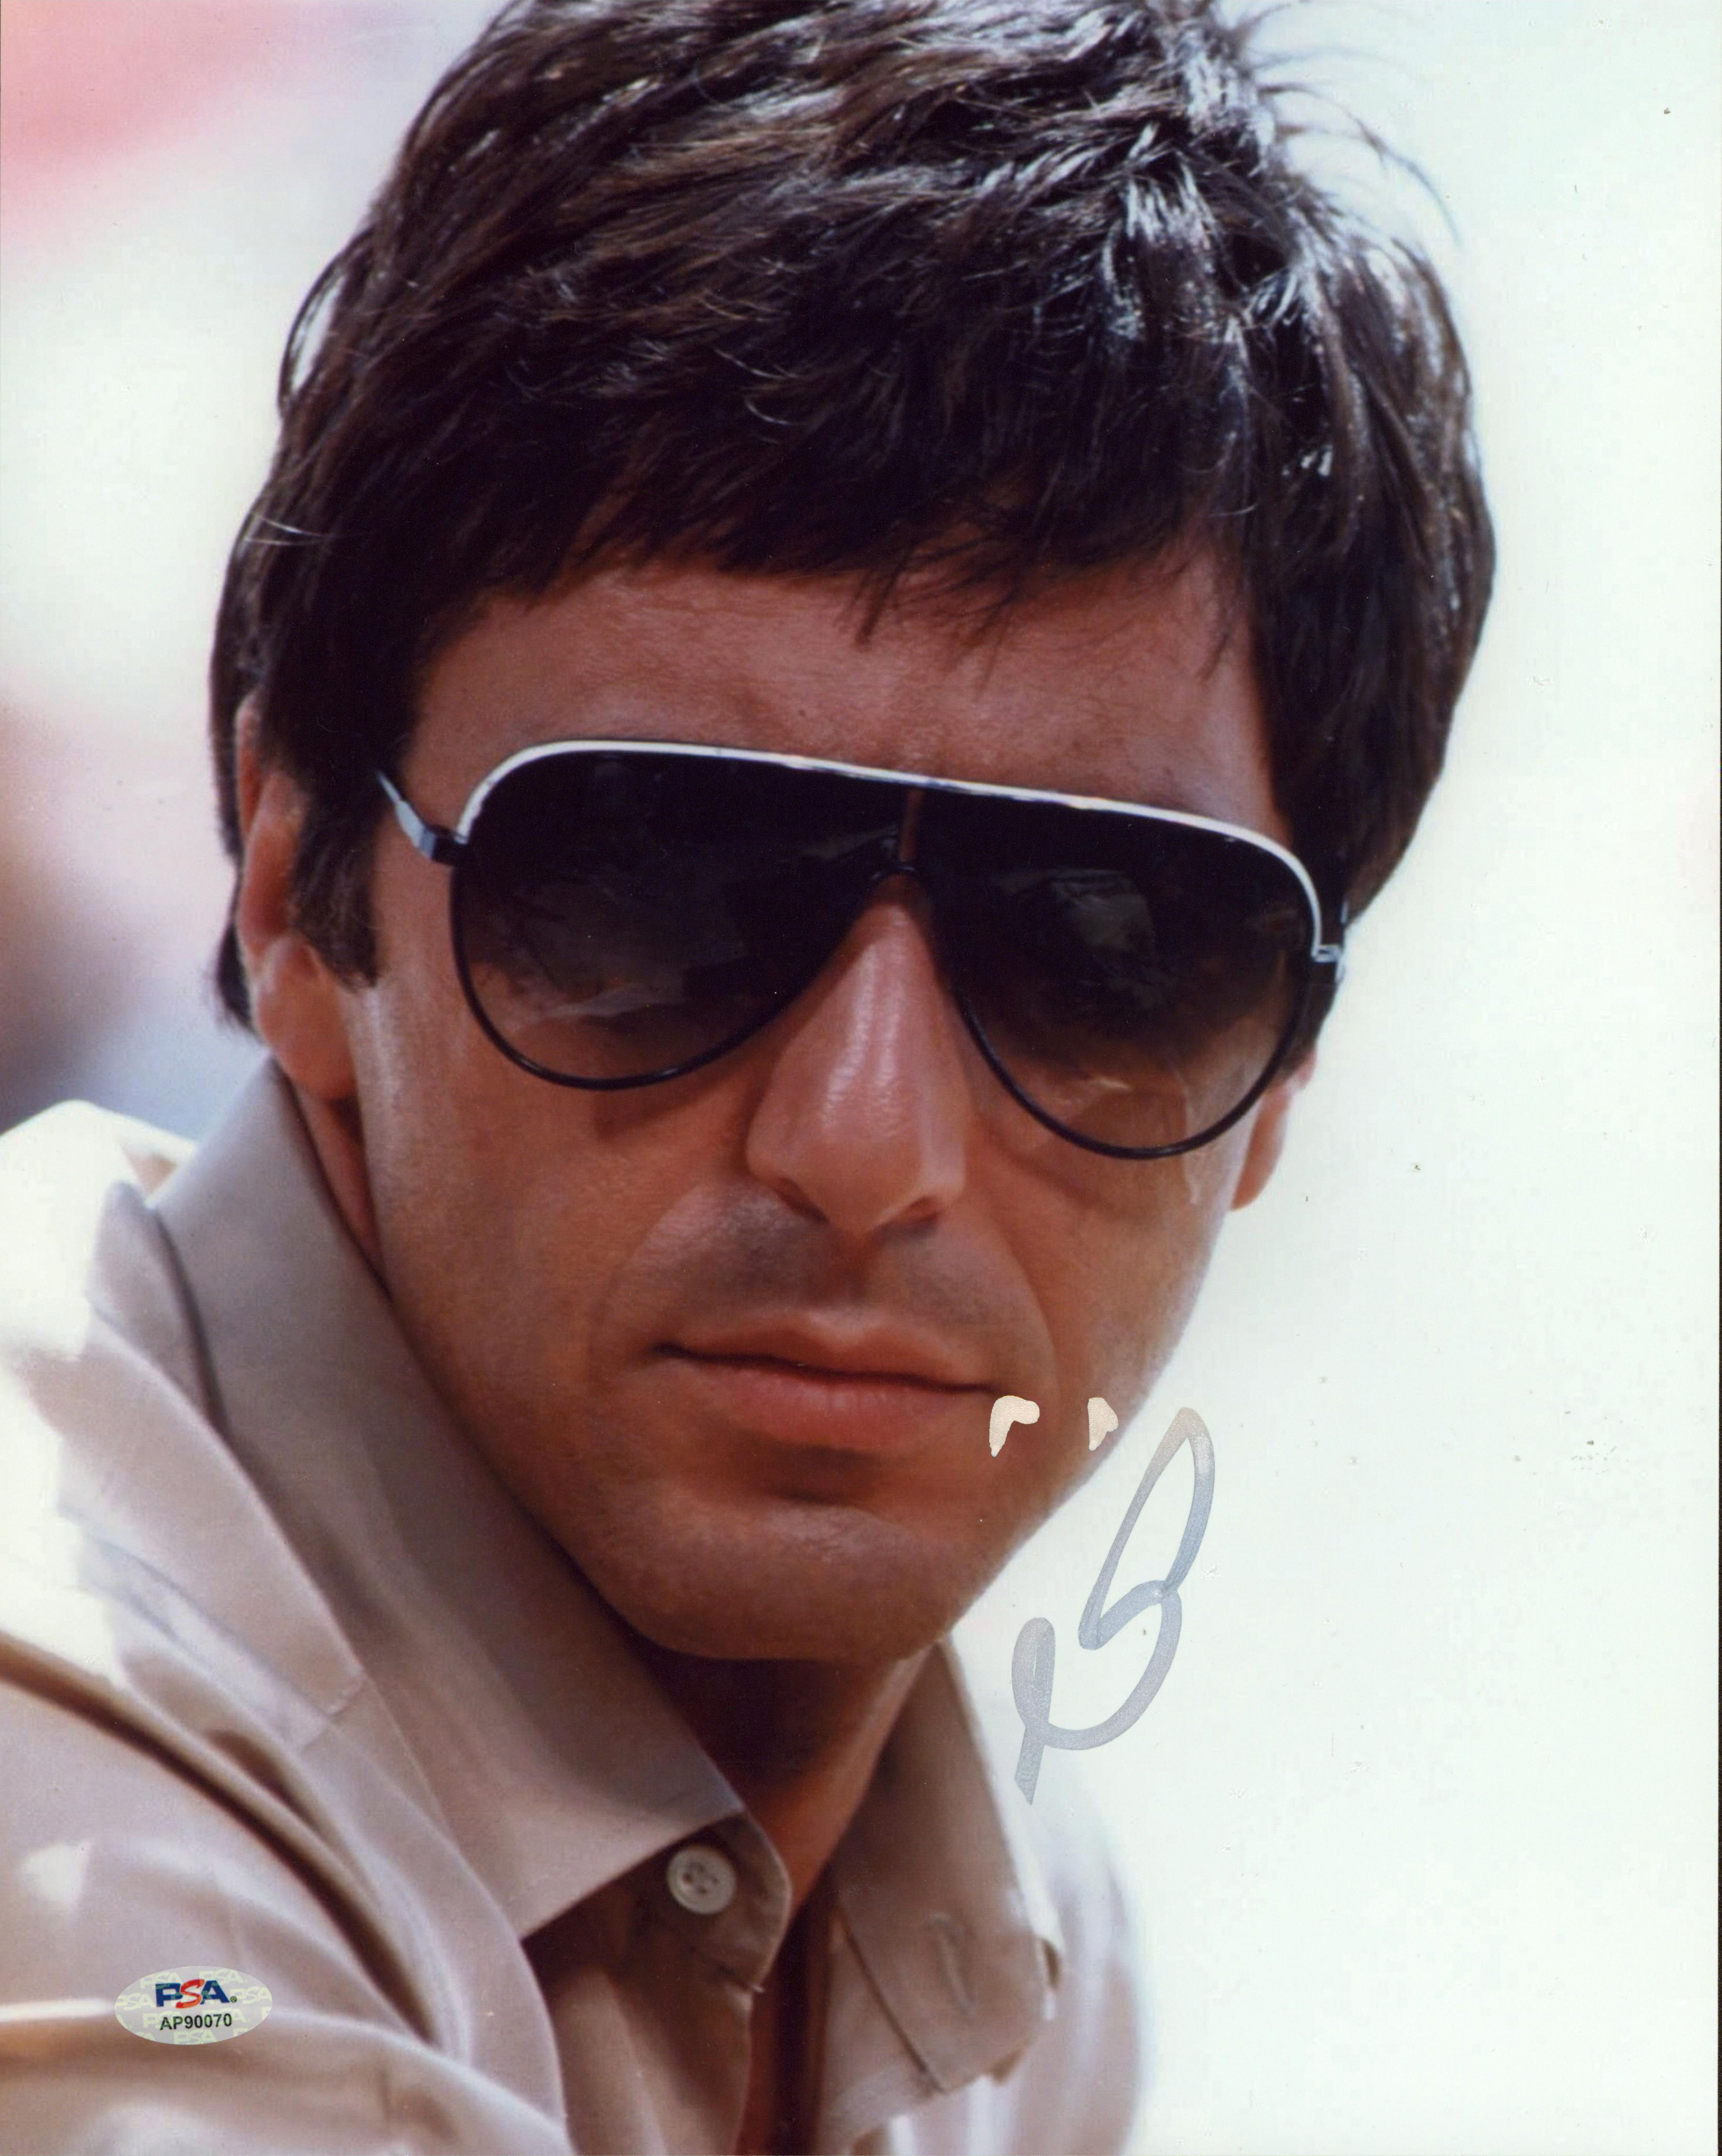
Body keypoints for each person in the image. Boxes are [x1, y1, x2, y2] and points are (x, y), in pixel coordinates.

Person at [0, 2, 1491, 2149]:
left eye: (1101, 944)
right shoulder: (79, 1799)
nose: (866, 1146)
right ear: (291, 886)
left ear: (1282, 1065)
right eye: (653, 886)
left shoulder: (991, 1915)